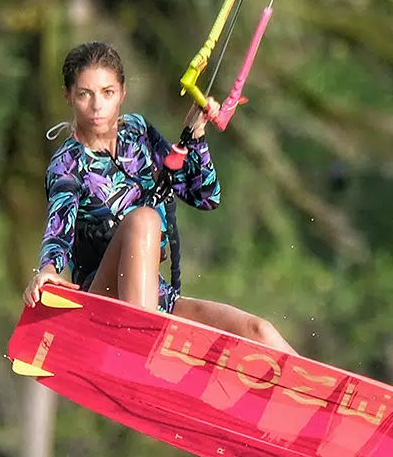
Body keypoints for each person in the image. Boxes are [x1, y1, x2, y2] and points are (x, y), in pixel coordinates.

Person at [23, 41, 295, 354]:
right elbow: (59, 231)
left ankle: (325, 398)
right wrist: (48, 270)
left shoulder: (137, 133)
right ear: (68, 96)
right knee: (144, 220)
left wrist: (196, 137)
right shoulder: (67, 165)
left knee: (258, 331)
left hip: (155, 301)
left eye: (107, 92)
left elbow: (204, 195)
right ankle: (140, 344)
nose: (97, 106)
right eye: (85, 94)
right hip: (100, 307)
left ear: (122, 93)